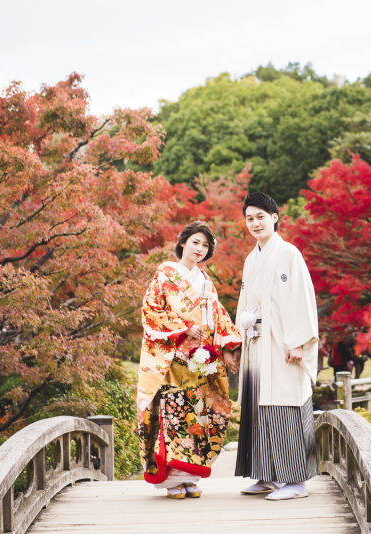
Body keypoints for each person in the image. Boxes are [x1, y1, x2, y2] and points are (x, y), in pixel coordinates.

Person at [136, 221, 241, 499]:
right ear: (182, 242)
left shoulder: (206, 281)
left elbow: (219, 316)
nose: (200, 249)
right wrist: (182, 327)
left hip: (202, 359)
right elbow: (151, 311)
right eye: (195, 242)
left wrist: (229, 346)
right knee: (176, 414)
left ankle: (191, 476)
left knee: (201, 416)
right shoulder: (165, 274)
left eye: (205, 245)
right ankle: (173, 480)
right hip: (174, 359)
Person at [234, 192, 319, 501]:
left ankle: (296, 481)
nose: (255, 223)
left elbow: (301, 298)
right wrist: (238, 333)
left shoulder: (288, 254)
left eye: (260, 216)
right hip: (257, 344)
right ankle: (267, 475)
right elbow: (246, 303)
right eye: (249, 218)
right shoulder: (250, 258)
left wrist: (298, 342)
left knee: (285, 406)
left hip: (283, 346)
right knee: (257, 407)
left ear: (274, 217)